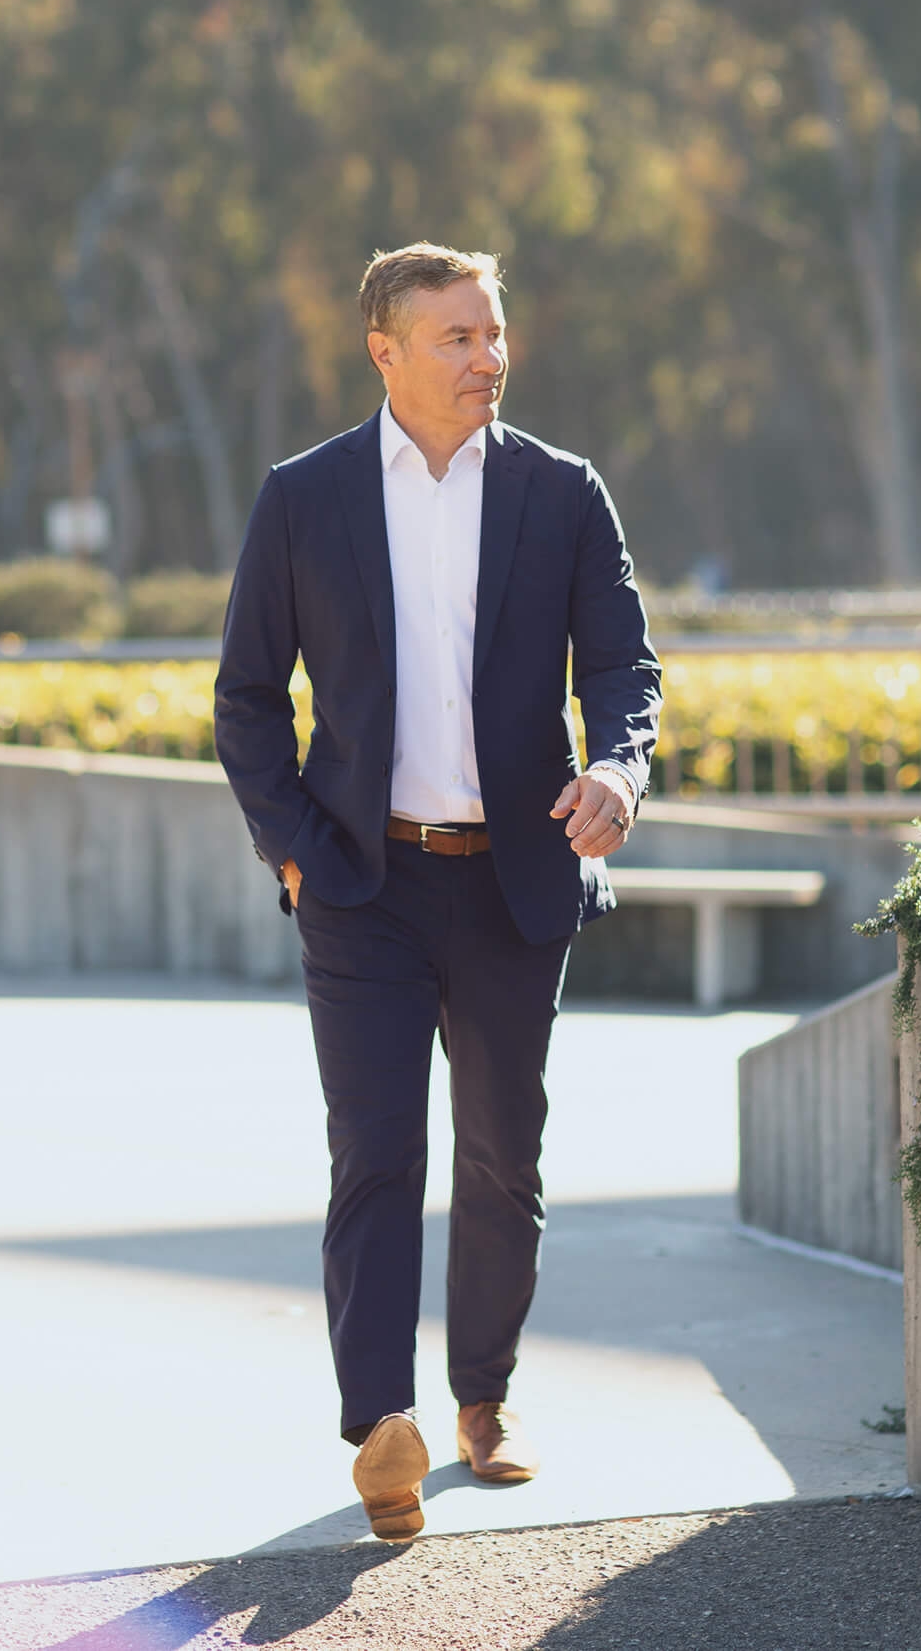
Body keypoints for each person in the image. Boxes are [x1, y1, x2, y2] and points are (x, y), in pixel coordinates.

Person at [213, 242, 663, 1543]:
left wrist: (620, 775)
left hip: (517, 881)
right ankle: (382, 1430)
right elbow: (246, 699)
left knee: (501, 1155)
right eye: (457, 336)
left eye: (494, 333)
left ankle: (484, 1398)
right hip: (363, 886)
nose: (487, 358)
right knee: (375, 1156)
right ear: (387, 351)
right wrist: (293, 846)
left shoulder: (562, 494)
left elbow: (626, 669)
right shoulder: (306, 500)